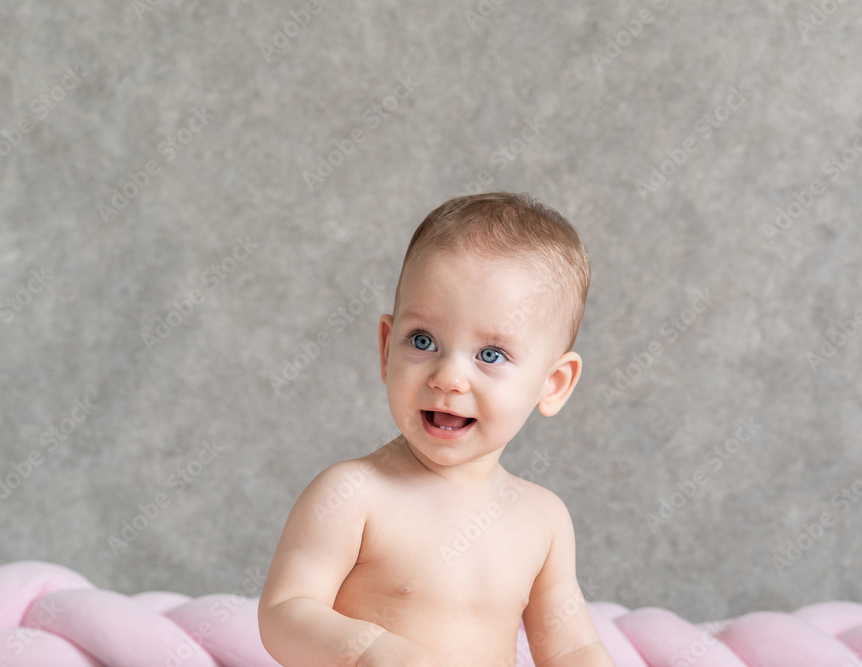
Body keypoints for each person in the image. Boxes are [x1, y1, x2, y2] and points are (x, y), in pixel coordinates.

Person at [258, 192, 615, 667]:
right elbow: (284, 612)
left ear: (553, 383)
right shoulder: (353, 494)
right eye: (423, 341)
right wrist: (368, 651)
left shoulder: (543, 521)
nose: (448, 376)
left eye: (491, 354)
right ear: (387, 349)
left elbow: (571, 648)